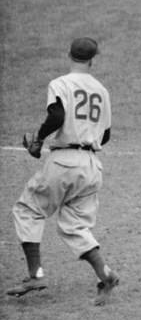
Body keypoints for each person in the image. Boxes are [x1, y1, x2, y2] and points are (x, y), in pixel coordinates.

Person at [7, 37, 121, 304]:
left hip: (64, 161)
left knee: (28, 210)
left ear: (68, 55)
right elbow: (105, 136)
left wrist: (39, 139)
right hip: (92, 166)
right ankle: (106, 275)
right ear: (93, 59)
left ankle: (36, 274)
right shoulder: (102, 91)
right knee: (75, 225)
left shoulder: (60, 84)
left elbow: (57, 117)